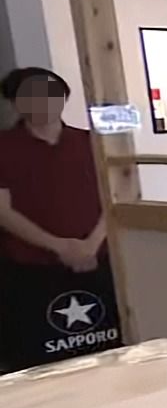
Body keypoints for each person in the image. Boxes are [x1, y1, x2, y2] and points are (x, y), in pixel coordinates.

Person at [0, 67, 121, 372]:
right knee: (43, 360)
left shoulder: (91, 141)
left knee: (109, 349)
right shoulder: (4, 146)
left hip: (98, 262)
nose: (43, 101)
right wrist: (59, 246)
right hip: (32, 269)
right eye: (31, 95)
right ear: (15, 102)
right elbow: (3, 211)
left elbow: (115, 196)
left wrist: (91, 245)